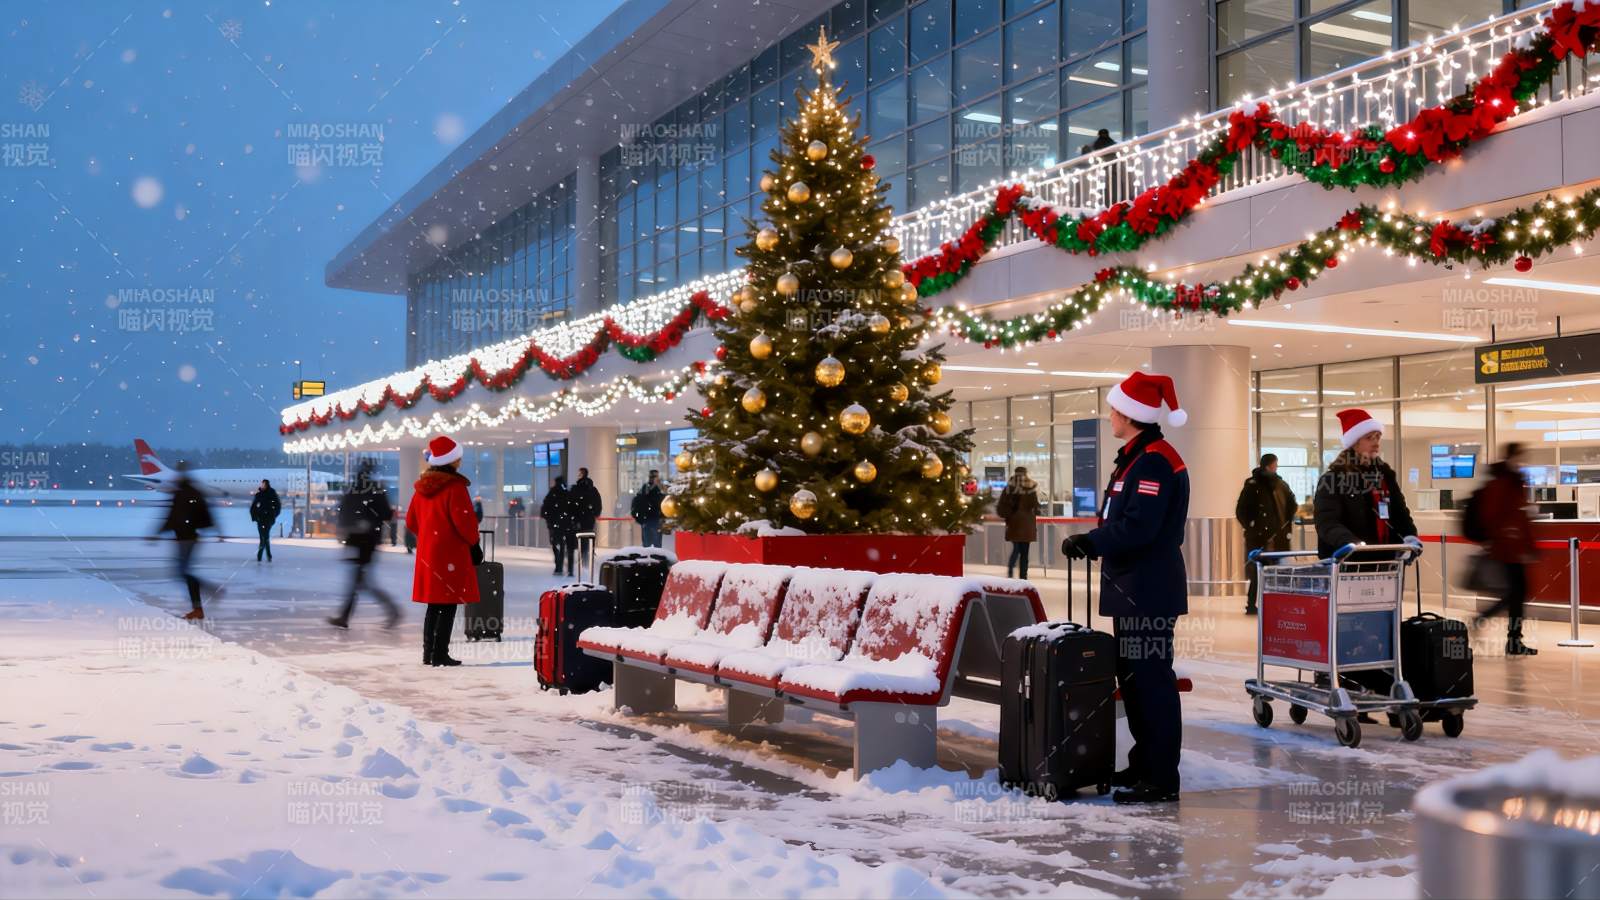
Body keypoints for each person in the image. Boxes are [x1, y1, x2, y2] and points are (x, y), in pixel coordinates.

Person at [1060, 372, 1190, 805]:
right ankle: (1143, 763)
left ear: (1131, 414)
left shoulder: (1152, 460)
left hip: (1148, 591)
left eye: (1114, 409)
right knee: (1135, 681)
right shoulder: (1136, 457)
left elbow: (1140, 526)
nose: (1109, 416)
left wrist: (1089, 542)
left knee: (1151, 683)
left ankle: (1160, 777)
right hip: (1135, 588)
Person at [405, 436, 482, 667]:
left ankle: (429, 653)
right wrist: (473, 544)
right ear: (451, 460)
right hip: (451, 552)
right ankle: (440, 654)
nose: (460, 460)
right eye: (458, 456)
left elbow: (411, 521)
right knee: (448, 603)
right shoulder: (455, 487)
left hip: (429, 552)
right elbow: (465, 522)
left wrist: (429, 533)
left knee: (434, 603)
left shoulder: (421, 488)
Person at [1314, 409, 1421, 560]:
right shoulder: (1333, 478)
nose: (1376, 443)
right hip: (1348, 564)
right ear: (1354, 442)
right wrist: (1351, 544)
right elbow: (1326, 522)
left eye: (1378, 437)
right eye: (1369, 438)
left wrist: (1409, 537)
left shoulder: (1385, 477)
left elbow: (1400, 514)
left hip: (1387, 563)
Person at [1472, 443, 1538, 656]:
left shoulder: (1515, 481)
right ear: (1512, 457)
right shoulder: (1501, 482)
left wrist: (1528, 544)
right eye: (1520, 456)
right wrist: (1509, 537)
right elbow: (1492, 515)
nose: (1522, 461)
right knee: (1517, 592)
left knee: (1517, 593)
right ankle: (1509, 637)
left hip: (1514, 547)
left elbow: (1521, 516)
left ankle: (1512, 638)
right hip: (1505, 548)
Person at [330, 461, 399, 630]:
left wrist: (344, 531)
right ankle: (391, 611)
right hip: (368, 540)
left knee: (360, 581)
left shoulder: (353, 489)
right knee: (361, 581)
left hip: (356, 540)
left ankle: (346, 616)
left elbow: (344, 512)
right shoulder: (375, 489)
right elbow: (385, 514)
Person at [152, 462, 224, 621]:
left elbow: (174, 515)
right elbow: (174, 515)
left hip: (187, 538)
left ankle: (205, 599)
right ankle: (200, 605)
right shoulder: (186, 491)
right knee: (183, 573)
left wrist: (159, 532)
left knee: (183, 573)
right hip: (185, 537)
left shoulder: (185, 492)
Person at [1235, 453, 1297, 614]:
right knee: (1258, 572)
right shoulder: (1254, 485)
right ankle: (1253, 604)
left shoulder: (1280, 485)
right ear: (1269, 465)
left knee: (1277, 572)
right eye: (1275, 464)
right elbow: (1241, 511)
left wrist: (1285, 525)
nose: (1276, 467)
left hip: (1278, 538)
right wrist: (1253, 527)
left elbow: (1292, 505)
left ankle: (1275, 604)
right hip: (1259, 539)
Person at [995, 467, 1040, 580]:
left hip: (1015, 524)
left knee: (1017, 549)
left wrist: (1008, 515)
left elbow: (1001, 507)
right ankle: (1023, 577)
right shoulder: (1030, 488)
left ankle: (1010, 572)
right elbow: (1036, 506)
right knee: (1024, 552)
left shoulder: (1009, 489)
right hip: (1027, 524)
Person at [542, 476, 578, 577]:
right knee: (569, 547)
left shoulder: (552, 494)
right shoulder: (568, 494)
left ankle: (559, 567)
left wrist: (551, 522)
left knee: (558, 545)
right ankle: (570, 569)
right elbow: (574, 509)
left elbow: (545, 510)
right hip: (569, 525)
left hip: (556, 526)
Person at [570, 466, 603, 570]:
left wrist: (573, 517)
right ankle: (587, 558)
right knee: (589, 538)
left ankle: (583, 559)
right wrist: (595, 514)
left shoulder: (576, 489)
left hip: (579, 520)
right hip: (589, 519)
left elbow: (571, 504)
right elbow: (598, 504)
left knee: (581, 539)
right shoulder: (592, 489)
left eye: (579, 474)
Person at [631, 470, 665, 549]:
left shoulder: (660, 489)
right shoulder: (646, 489)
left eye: (655, 477)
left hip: (654, 520)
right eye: (653, 477)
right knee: (649, 545)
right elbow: (639, 501)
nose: (654, 479)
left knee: (655, 546)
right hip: (648, 520)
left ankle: (655, 559)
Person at [249, 479, 281, 562]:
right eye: (262, 484)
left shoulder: (271, 494)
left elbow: (278, 506)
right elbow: (253, 507)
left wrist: (273, 515)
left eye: (263, 484)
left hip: (268, 519)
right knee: (263, 537)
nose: (262, 485)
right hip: (260, 519)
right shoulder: (259, 495)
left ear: (267, 485)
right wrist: (255, 517)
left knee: (264, 536)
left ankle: (261, 555)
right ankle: (268, 555)